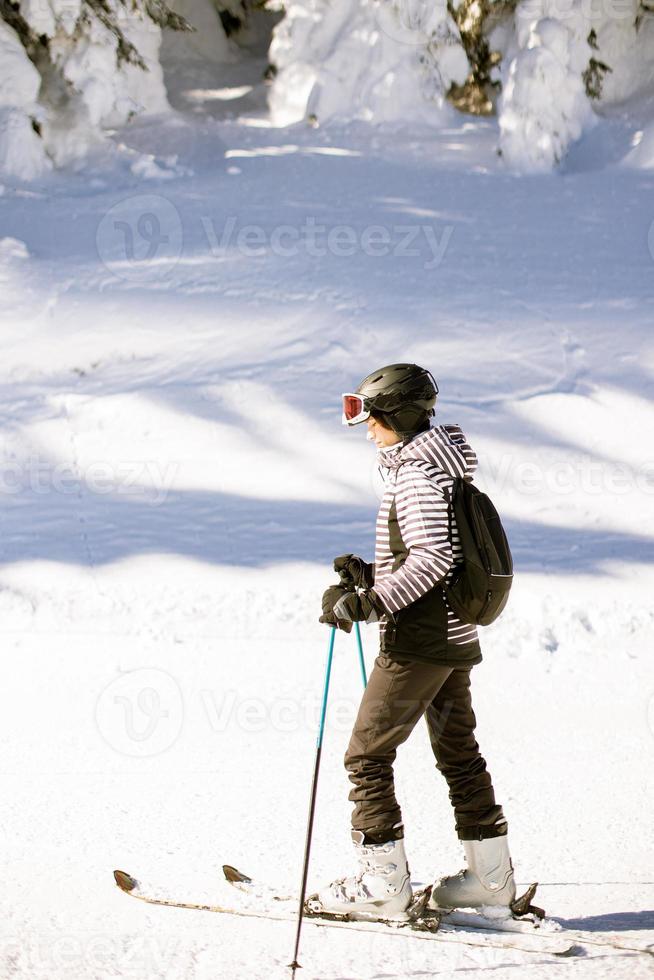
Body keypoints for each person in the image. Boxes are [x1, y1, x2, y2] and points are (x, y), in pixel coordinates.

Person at [313, 363, 515, 920]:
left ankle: (383, 886)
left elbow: (432, 560)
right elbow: (427, 556)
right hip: (450, 638)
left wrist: (372, 601)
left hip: (419, 643)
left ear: (398, 415)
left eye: (371, 414)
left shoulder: (418, 475)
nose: (366, 427)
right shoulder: (439, 467)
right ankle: (490, 881)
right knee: (458, 751)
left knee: (367, 755)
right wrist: (372, 574)